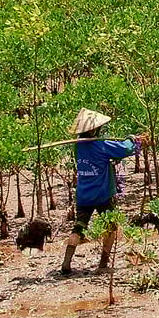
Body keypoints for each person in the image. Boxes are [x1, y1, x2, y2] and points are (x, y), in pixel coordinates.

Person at [60, 108, 142, 276]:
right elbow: (125, 149)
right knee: (111, 227)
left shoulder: (78, 146)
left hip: (83, 195)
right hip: (103, 194)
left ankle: (66, 263)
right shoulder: (101, 145)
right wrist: (131, 139)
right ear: (93, 129)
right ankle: (103, 264)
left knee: (78, 227)